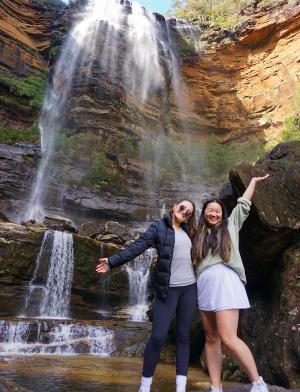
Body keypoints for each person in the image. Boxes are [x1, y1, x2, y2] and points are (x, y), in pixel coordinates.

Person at [96, 200, 197, 392]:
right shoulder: (159, 227)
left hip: (189, 289)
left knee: (183, 337)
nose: (184, 212)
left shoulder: (190, 232)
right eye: (182, 208)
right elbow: (138, 246)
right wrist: (111, 261)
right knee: (158, 337)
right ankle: (145, 386)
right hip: (168, 289)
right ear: (174, 206)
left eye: (189, 212)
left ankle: (181, 388)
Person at [192, 174, 269, 392]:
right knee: (211, 337)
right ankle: (216, 387)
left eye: (217, 210)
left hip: (226, 282)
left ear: (222, 214)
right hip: (204, 286)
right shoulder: (197, 235)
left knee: (228, 337)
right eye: (210, 210)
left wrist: (252, 182)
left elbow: (244, 204)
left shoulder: (231, 226)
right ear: (204, 214)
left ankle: (257, 382)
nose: (213, 213)